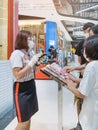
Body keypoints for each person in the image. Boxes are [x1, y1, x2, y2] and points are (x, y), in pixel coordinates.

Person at [10, 30, 42, 130]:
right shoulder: (16, 54)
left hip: (31, 85)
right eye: (30, 39)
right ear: (22, 40)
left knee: (28, 117)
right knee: (23, 121)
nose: (32, 41)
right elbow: (17, 75)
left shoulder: (28, 53)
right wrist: (31, 63)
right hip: (21, 88)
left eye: (32, 39)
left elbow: (33, 73)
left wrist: (36, 63)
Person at [66, 35, 98, 130]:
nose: (83, 51)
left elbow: (81, 94)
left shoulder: (92, 66)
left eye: (85, 48)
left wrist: (70, 85)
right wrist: (77, 80)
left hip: (90, 115)